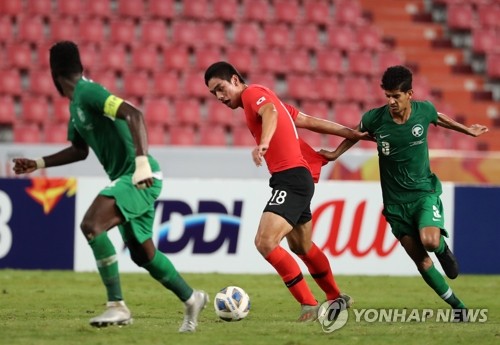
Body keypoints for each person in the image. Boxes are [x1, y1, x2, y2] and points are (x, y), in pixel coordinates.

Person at [12, 41, 208, 332]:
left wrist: (141, 162)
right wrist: (39, 163)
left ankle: (117, 306)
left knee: (92, 224)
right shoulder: (75, 107)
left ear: (54, 74)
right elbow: (79, 150)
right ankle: (192, 298)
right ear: (78, 66)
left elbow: (134, 114)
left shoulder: (88, 92)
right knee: (144, 255)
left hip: (140, 175)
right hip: (125, 178)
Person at [204, 61, 370, 321]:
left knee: (265, 241)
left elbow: (269, 112)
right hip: (297, 178)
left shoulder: (252, 95)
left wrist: (264, 143)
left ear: (235, 80)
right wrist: (349, 132)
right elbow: (306, 120)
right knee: (302, 246)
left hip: (291, 178)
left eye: (221, 88)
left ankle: (309, 304)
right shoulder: (269, 96)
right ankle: (336, 297)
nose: (220, 97)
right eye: (214, 93)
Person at [319, 65, 489, 320]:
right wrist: (334, 154)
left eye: (395, 96)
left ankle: (443, 249)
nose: (390, 102)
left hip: (423, 193)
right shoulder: (375, 118)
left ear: (409, 94)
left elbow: (439, 117)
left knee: (430, 241)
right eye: (387, 96)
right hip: (395, 204)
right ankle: (458, 307)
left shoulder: (424, 111)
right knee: (420, 260)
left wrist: (467, 130)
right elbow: (354, 133)